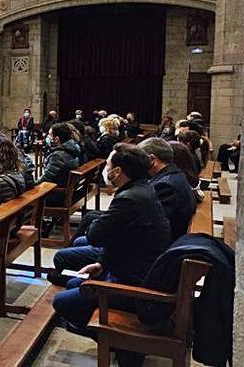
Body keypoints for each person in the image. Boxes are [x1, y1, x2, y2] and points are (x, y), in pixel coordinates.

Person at [52, 144, 171, 361]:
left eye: (108, 165)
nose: (106, 170)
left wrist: (98, 229)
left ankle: (121, 342)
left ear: (118, 172)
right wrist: (102, 264)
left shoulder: (130, 198)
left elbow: (96, 234)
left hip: (132, 286)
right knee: (72, 284)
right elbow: (123, 240)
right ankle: (119, 342)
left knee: (62, 302)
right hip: (133, 269)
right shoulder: (142, 188)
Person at [139, 138, 197, 240]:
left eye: (139, 159)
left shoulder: (165, 186)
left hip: (166, 245)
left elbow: (153, 225)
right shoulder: (175, 174)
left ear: (152, 159)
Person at [37, 123, 81, 210]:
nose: (47, 137)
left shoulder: (58, 155)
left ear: (56, 138)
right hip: (66, 191)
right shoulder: (72, 149)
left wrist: (30, 185)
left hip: (56, 195)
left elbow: (46, 179)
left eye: (49, 135)